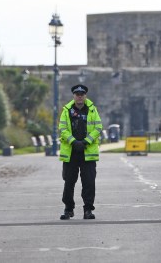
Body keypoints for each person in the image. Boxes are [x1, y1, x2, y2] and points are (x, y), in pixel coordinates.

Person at [58, 83, 102, 220]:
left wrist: (85, 141)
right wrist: (73, 142)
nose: (79, 97)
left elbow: (98, 128)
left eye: (82, 95)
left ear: (85, 96)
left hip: (87, 151)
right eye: (77, 95)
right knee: (69, 182)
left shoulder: (92, 110)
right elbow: (62, 129)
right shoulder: (66, 110)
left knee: (89, 182)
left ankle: (88, 210)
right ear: (74, 96)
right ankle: (68, 209)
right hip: (71, 152)